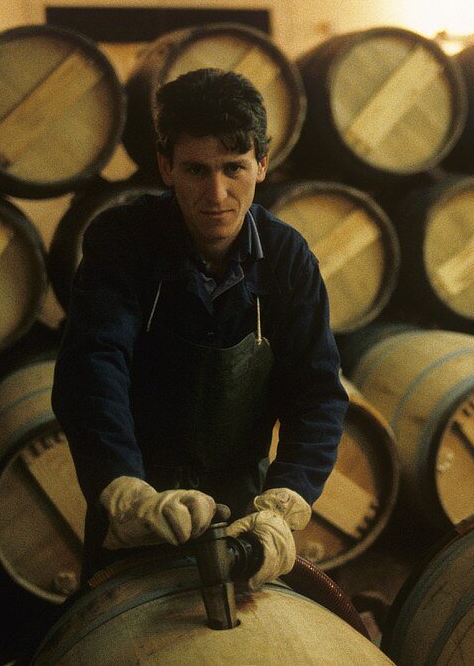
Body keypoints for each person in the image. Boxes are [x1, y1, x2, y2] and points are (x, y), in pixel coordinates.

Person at [52, 68, 347, 587]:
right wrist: (124, 489)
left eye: (234, 168)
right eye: (195, 170)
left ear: (262, 163)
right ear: (166, 168)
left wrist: (283, 505)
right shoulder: (122, 241)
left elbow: (317, 394)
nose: (216, 193)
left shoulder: (287, 257)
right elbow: (94, 368)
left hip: (243, 512)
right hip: (139, 507)